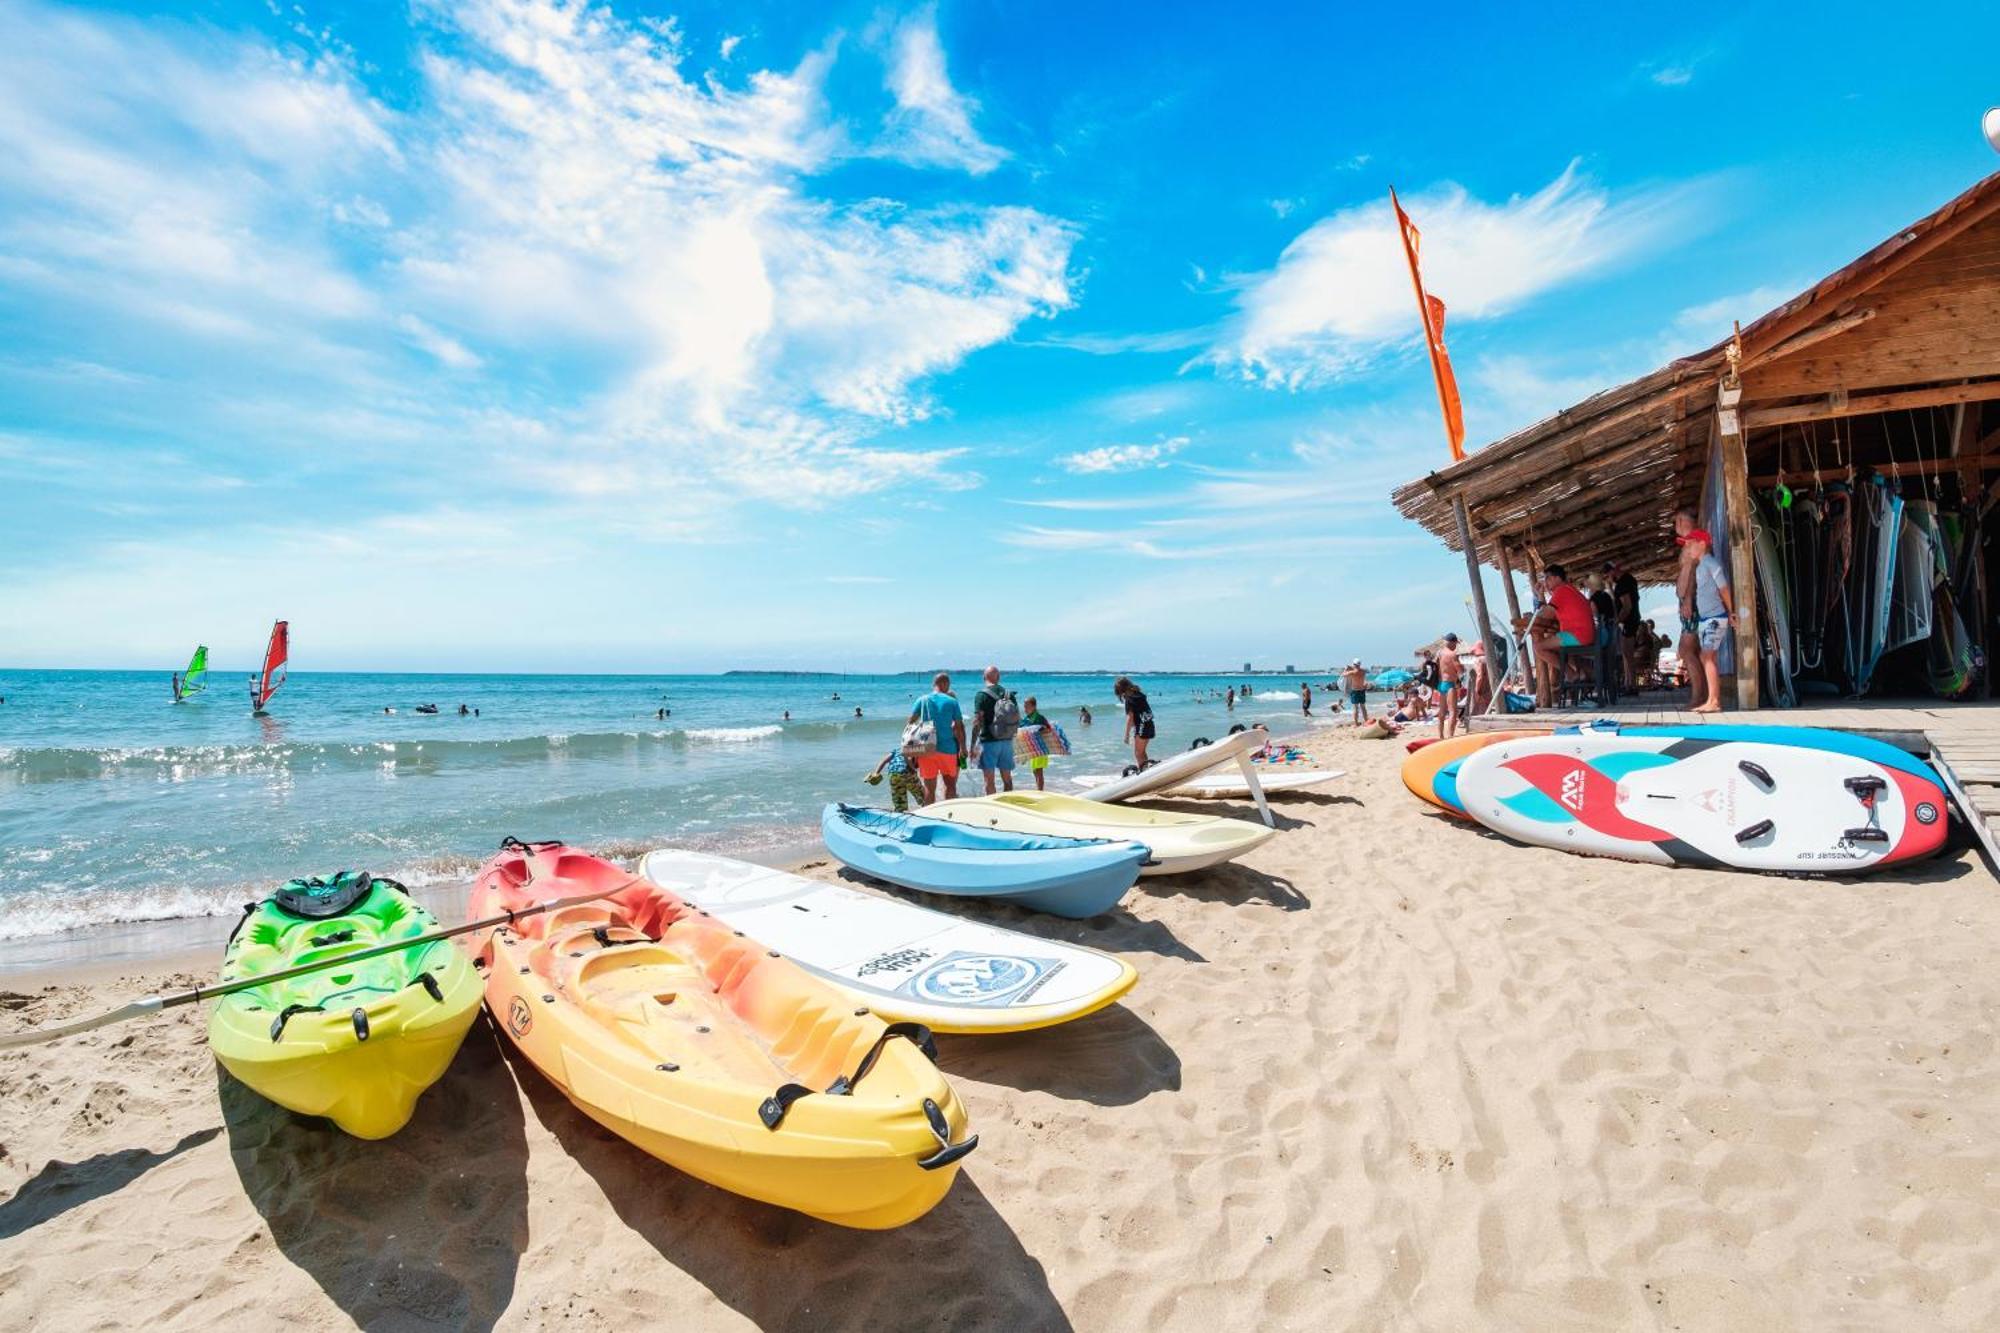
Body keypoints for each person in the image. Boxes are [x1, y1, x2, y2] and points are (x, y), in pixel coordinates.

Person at [1527, 564, 1595, 707]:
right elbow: (1549, 611)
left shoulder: (1562, 591)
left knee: (1538, 647)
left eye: (1548, 578)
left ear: (1558, 578)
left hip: (1577, 635)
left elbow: (1546, 615)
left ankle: (1572, 675)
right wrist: (1541, 596)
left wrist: (1539, 596)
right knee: (1557, 648)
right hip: (1585, 634)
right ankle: (1580, 674)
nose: (1546, 582)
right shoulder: (1569, 590)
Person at [1684, 529, 1736, 713]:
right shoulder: (1701, 566)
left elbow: (1723, 588)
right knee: (1707, 656)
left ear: (1702, 544)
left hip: (1715, 618)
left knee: (1707, 656)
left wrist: (1731, 612)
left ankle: (1714, 701)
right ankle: (1712, 700)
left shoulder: (1711, 563)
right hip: (1707, 618)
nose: (1687, 547)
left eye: (1690, 544)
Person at [907, 672, 966, 802]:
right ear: (945, 684)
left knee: (929, 789)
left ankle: (929, 817)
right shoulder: (952, 701)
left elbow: (910, 722)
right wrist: (962, 747)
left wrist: (911, 749)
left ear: (934, 684)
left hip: (927, 749)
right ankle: (949, 815)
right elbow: (959, 726)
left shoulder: (922, 700)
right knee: (950, 786)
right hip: (948, 749)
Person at [969, 666, 1021, 795]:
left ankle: (992, 811)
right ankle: (1008, 805)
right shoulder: (1009, 695)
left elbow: (977, 722)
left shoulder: (981, 695)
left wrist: (972, 745)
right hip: (1007, 742)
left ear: (984, 677)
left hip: (989, 742)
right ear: (998, 677)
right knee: (1007, 778)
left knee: (989, 781)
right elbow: (1017, 718)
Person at [1607, 559, 1642, 688]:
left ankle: (1631, 684)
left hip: (1628, 621)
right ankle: (1628, 683)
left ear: (1613, 571)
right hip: (1632, 619)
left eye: (1608, 574)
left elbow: (1626, 606)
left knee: (1627, 654)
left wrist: (1618, 621)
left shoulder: (1622, 584)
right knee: (1627, 654)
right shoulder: (1630, 580)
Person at [1112, 676, 1155, 769]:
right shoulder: (1138, 694)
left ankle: (1144, 773)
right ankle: (1146, 770)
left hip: (1142, 726)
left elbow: (1130, 718)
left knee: (1138, 753)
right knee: (1142, 752)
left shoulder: (1129, 698)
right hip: (1149, 724)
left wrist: (1126, 735)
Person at [865, 746, 925, 812]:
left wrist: (876, 773)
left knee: (899, 799)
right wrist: (914, 769)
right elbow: (909, 759)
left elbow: (883, 761)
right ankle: (927, 808)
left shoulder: (897, 750)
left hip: (893, 774)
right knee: (920, 793)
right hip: (906, 771)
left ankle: (900, 812)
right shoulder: (915, 749)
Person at [1019, 695, 1055, 791]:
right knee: (1035, 770)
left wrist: (1040, 732)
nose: (1025, 708)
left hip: (1040, 747)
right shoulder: (1027, 719)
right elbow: (1021, 728)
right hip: (1033, 747)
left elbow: (1049, 729)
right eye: (1024, 706)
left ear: (1034, 707)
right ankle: (1039, 789)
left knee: (1038, 771)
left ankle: (1040, 791)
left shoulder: (1039, 718)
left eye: (1027, 706)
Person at [1437, 633, 1464, 739]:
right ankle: (1450, 736)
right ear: (1452, 642)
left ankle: (1440, 735)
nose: (1456, 646)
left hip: (1442, 683)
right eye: (1456, 643)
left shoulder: (1440, 653)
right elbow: (1460, 670)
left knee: (1442, 711)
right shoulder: (1453, 654)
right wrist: (1462, 668)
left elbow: (1440, 669)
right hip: (1450, 684)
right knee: (1453, 711)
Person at [1341, 658, 1370, 725]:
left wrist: (1346, 669)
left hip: (1355, 691)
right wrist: (1351, 667)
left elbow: (1343, 675)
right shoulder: (1363, 671)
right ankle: (1366, 721)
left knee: (1355, 708)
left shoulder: (1353, 672)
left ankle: (1356, 723)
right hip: (1362, 690)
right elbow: (1357, 669)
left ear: (1354, 664)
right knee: (1363, 707)